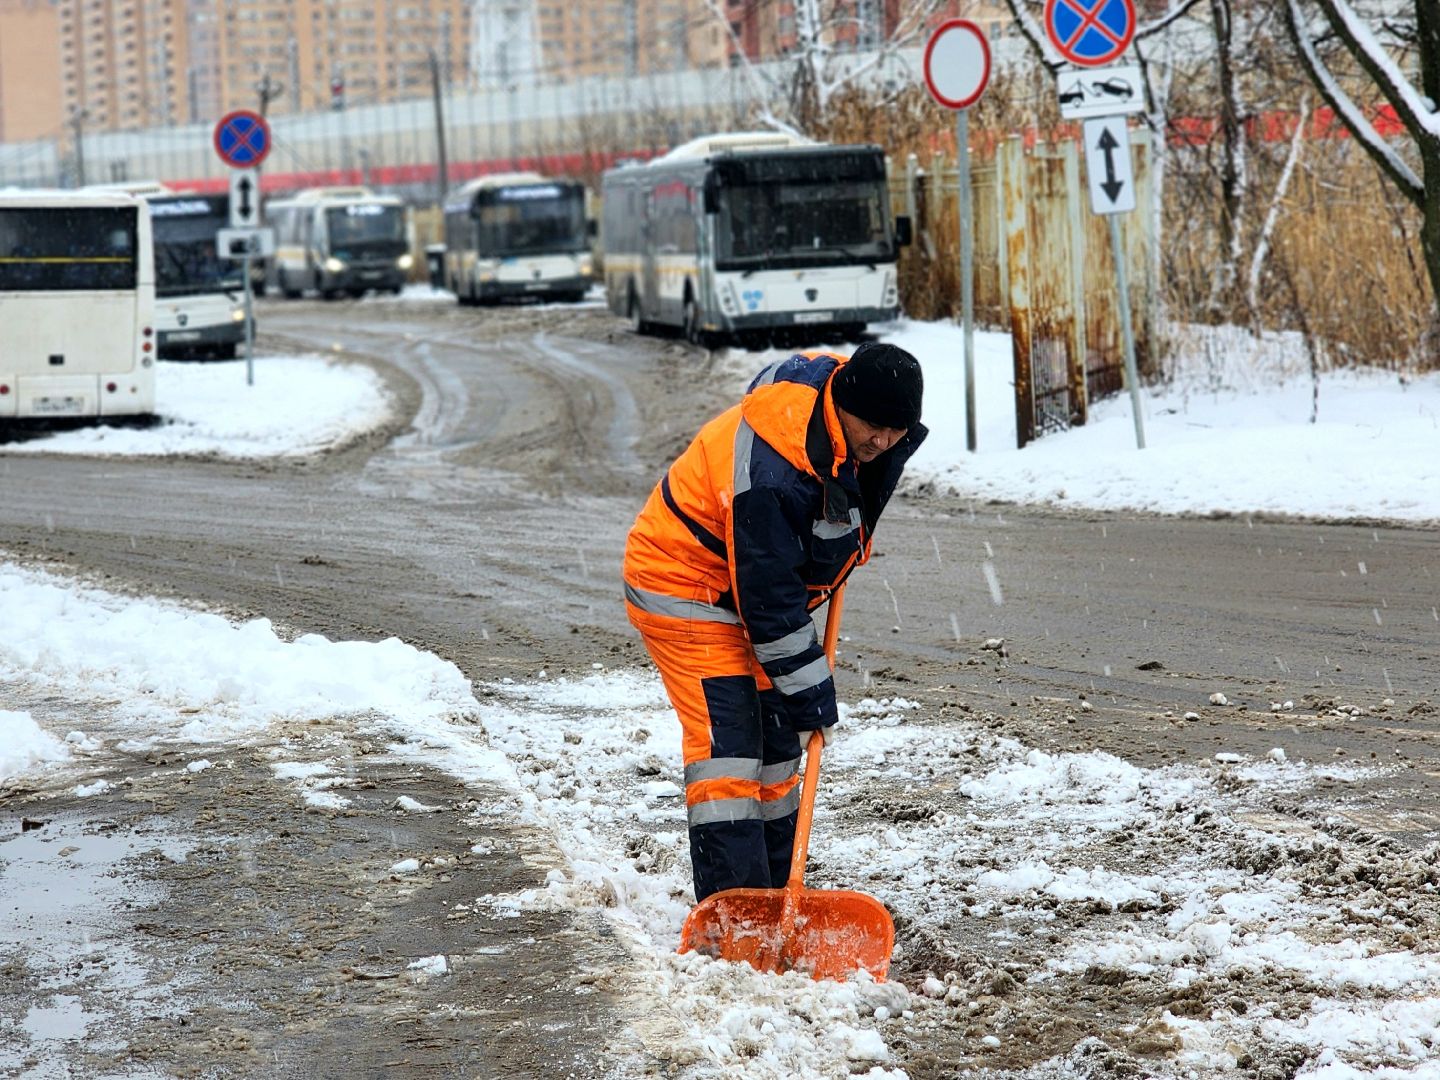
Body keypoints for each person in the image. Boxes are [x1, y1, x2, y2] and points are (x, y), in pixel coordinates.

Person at [622, 341, 926, 902]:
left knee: (780, 741)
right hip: (684, 583)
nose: (883, 442)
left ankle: (776, 892)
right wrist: (814, 698)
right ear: (844, 403)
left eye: (897, 431)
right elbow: (770, 605)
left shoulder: (838, 421)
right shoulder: (774, 473)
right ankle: (734, 915)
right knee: (731, 749)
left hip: (744, 589)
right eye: (874, 426)